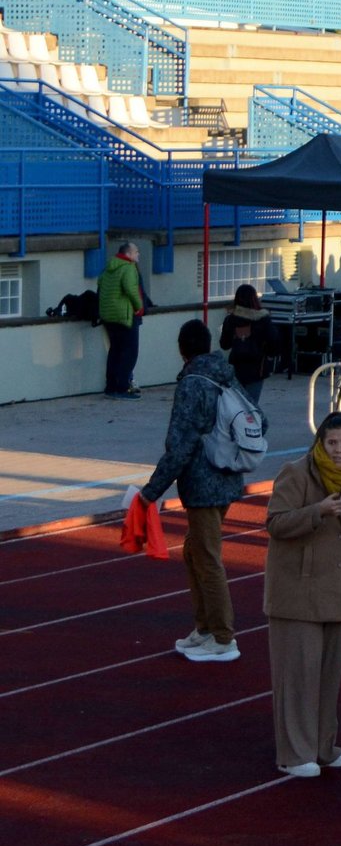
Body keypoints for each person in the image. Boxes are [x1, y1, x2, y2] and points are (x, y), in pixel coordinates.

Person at [139, 318, 258, 663]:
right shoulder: (226, 375)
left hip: (204, 483)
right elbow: (257, 419)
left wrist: (152, 490)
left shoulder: (192, 384)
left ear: (182, 350)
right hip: (228, 476)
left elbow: (180, 445)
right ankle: (205, 628)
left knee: (206, 557)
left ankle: (223, 636)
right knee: (194, 551)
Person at [264, 411, 341, 778]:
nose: (338, 450)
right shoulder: (296, 473)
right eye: (332, 443)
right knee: (298, 678)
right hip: (296, 593)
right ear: (319, 443)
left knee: (327, 677)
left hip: (334, 591)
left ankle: (323, 746)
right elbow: (275, 523)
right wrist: (318, 511)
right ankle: (294, 754)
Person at [98, 240, 145, 399]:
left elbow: (100, 287)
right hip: (126, 315)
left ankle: (110, 387)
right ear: (128, 254)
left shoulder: (108, 268)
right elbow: (132, 290)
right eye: (136, 251)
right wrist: (139, 307)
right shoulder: (128, 268)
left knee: (115, 350)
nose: (138, 254)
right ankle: (123, 388)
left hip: (108, 316)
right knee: (130, 352)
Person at [219, 283, 279, 405]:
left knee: (236, 406)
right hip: (257, 367)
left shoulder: (231, 319)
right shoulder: (263, 319)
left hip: (236, 366)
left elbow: (224, 344)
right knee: (251, 406)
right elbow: (274, 342)